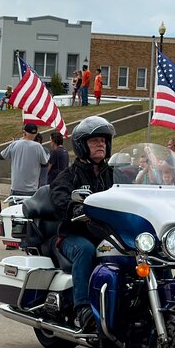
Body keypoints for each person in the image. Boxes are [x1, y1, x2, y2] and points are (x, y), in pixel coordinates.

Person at [50, 116, 116, 333]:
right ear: (81, 145)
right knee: (86, 251)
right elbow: (59, 198)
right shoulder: (68, 175)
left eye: (103, 141)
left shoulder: (114, 175)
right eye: (94, 141)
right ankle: (83, 308)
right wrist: (75, 208)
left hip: (106, 234)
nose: (101, 145)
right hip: (73, 236)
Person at [0, 123, 49, 197]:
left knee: (13, 208)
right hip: (32, 189)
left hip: (16, 188)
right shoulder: (38, 147)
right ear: (35, 134)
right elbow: (45, 162)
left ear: (24, 132)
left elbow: (1, 156)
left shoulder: (15, 144)